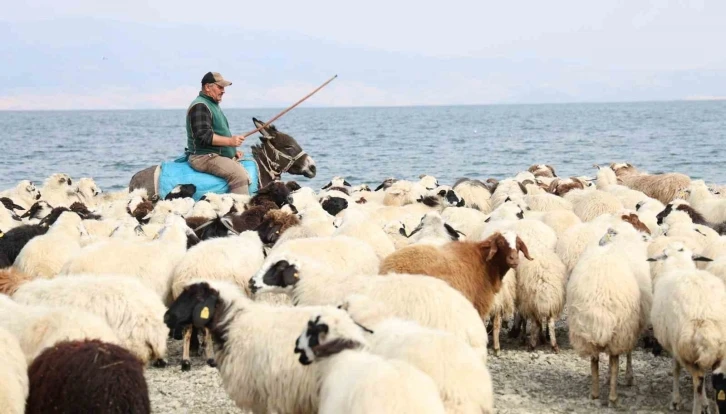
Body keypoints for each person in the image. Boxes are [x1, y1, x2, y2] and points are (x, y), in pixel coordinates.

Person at [185, 72, 250, 194]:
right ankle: (240, 211)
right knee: (239, 174)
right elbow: (204, 136)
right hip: (203, 158)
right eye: (220, 87)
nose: (223, 91)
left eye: (224, 88)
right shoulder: (200, 106)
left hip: (213, 155)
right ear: (208, 87)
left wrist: (232, 151)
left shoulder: (212, 104)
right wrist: (230, 142)